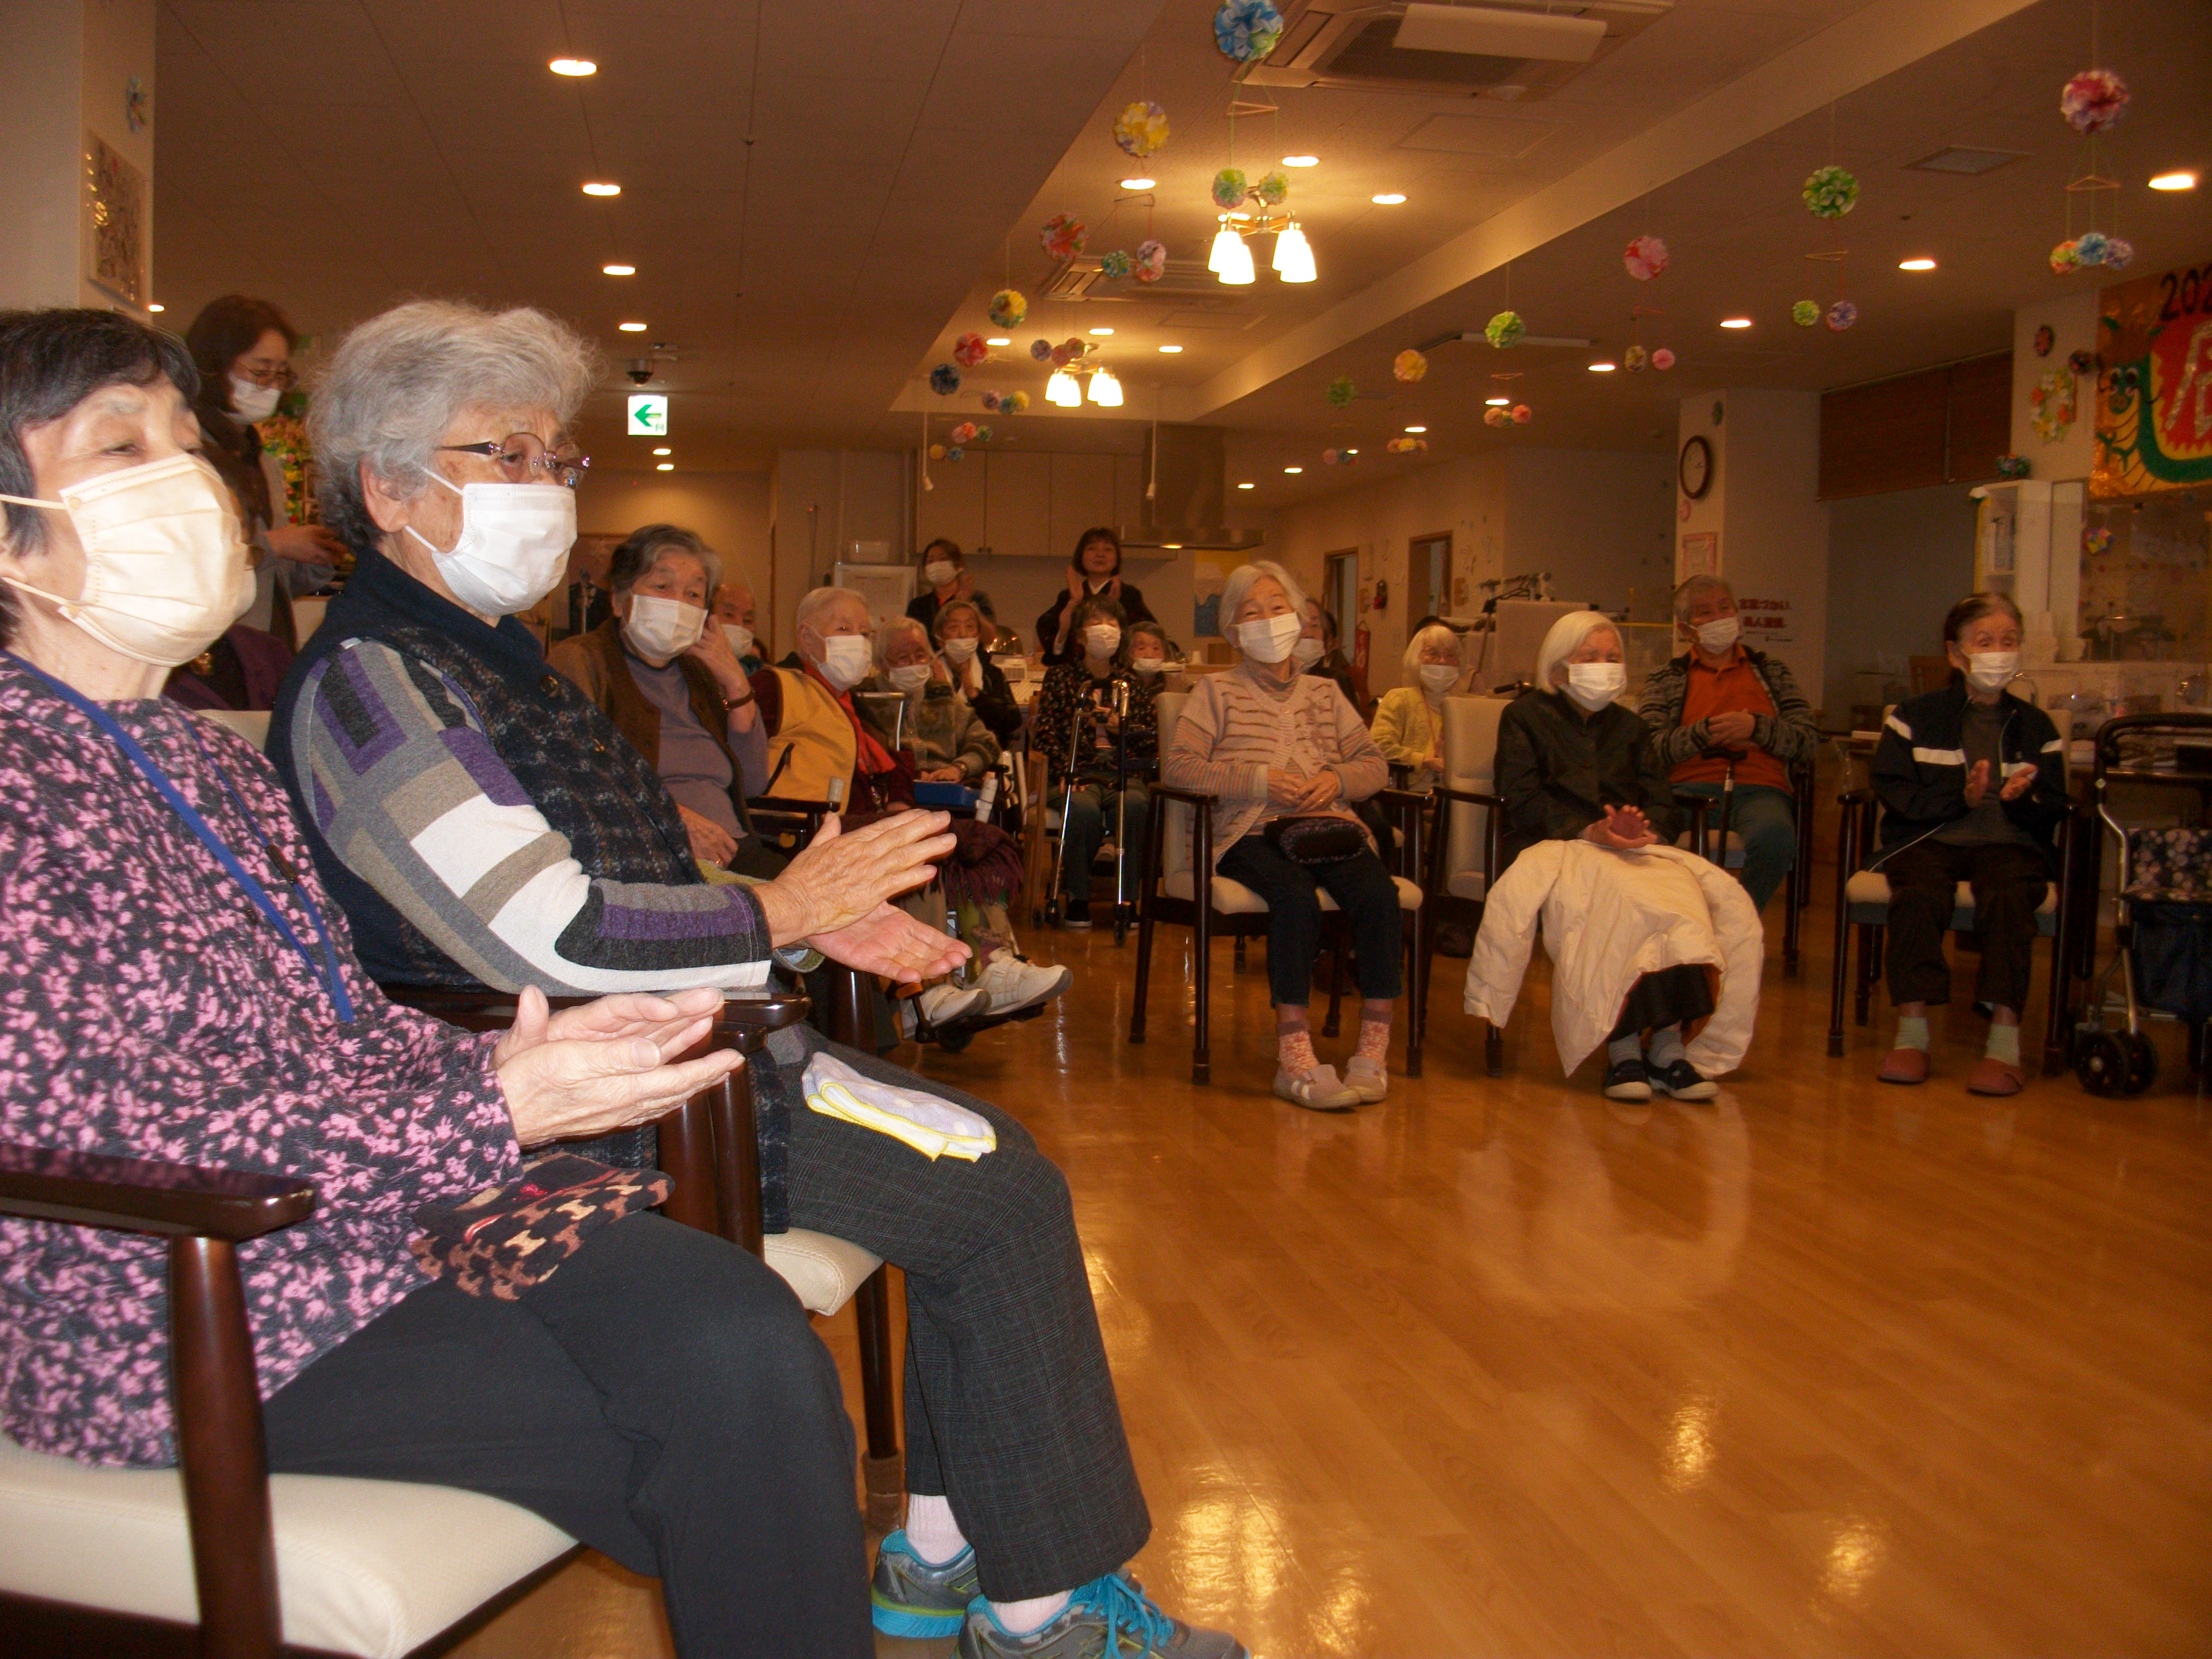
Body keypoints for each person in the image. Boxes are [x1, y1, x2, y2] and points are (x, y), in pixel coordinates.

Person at [263, 300, 1241, 1659]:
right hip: (591, 1098)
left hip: (679, 1046)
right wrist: (779, 909)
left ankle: (941, 1560)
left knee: (997, 1168)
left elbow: (631, 875)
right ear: (386, 485)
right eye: (508, 455)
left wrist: (796, 932)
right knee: (1002, 1197)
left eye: (556, 459)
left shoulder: (498, 665)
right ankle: (1038, 1613)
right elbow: (546, 932)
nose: (546, 489)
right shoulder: (373, 685)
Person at [0, 303, 917, 1658]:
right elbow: (105, 1126)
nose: (187, 478)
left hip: (362, 1225)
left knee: (734, 1317)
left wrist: (501, 1065)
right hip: (174, 1295)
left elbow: (338, 1021)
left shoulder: (196, 758)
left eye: (188, 443)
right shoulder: (18, 778)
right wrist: (485, 1109)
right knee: (723, 1391)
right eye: (120, 444)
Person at [1161, 560, 1402, 1109]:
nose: (1268, 621)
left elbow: (1374, 765)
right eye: (1252, 613)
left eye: (1277, 608)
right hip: (1247, 833)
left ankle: (1372, 1050)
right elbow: (1180, 767)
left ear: (1297, 617)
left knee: (1378, 895)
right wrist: (1259, 780)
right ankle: (1294, 1055)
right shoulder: (1215, 692)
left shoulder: (1327, 693)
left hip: (1327, 827)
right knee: (1294, 898)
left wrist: (1335, 779)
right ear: (1232, 630)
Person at [1489, 609, 1743, 1104]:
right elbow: (1520, 798)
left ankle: (1668, 1045)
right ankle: (1625, 1047)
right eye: (1591, 657)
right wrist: (1590, 830)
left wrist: (1644, 828)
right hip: (1558, 845)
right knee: (1622, 903)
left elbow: (1662, 800)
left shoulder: (1631, 727)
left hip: (1631, 849)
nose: (1604, 666)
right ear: (1559, 666)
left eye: (1612, 657)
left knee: (1680, 898)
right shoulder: (1524, 717)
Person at [1866, 593, 2067, 1097]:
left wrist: (2024, 800)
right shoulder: (1913, 716)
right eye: (1985, 641)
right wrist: (1962, 798)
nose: (1999, 652)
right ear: (1956, 654)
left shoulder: (2037, 726)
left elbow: (2056, 804)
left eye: (2008, 641)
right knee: (1918, 893)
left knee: (2009, 895)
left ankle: (2003, 1044)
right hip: (1931, 839)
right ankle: (1912, 1036)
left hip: (2009, 843)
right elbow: (1894, 789)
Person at [547, 523, 780, 878]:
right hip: (650, 855)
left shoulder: (698, 673)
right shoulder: (581, 660)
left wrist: (736, 684)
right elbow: (575, 770)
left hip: (733, 851)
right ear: (619, 600)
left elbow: (752, 783)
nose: (678, 604)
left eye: (693, 594)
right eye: (662, 587)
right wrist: (674, 819)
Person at [1637, 575, 1818, 915]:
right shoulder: (1665, 678)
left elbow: (1808, 741)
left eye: (1725, 608)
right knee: (1640, 841)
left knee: (1776, 839)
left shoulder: (1773, 672)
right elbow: (1650, 749)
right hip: (1684, 794)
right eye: (1706, 612)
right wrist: (1704, 733)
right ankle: (1676, 922)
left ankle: (1736, 920)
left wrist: (1757, 728)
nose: (1719, 617)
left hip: (1759, 790)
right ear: (1686, 629)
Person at [182, 295, 345, 642]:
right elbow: (184, 562)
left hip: (267, 642)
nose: (271, 386)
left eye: (280, 374)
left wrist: (318, 554)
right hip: (214, 646)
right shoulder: (185, 452)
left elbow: (275, 582)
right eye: (260, 371)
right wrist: (275, 544)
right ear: (214, 366)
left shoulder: (262, 460)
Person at [1031, 594, 1152, 930]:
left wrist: (1120, 730)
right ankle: (1078, 897)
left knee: (1136, 804)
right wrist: (1065, 771)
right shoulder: (1060, 678)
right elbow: (1046, 734)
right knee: (1082, 808)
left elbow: (1148, 739)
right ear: (1081, 636)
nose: (1105, 629)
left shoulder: (1131, 683)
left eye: (1112, 623)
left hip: (1119, 770)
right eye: (1096, 623)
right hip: (1075, 768)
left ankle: (1127, 899)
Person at [864, 614, 999, 786]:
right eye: (903, 658)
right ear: (881, 663)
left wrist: (959, 769)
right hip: (889, 787)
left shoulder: (941, 695)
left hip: (942, 788)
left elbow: (987, 743)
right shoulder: (867, 699)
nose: (914, 663)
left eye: (921, 655)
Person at [1037, 526, 1154, 666]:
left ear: (1117, 558)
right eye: (1092, 549)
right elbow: (1051, 637)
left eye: (1108, 549)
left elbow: (1147, 635)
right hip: (1075, 671)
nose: (1100, 555)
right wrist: (1073, 604)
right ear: (1081, 557)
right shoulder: (1068, 596)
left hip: (1117, 670)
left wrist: (1114, 608)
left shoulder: (1129, 595)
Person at [1370, 622, 1463, 791]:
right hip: (1411, 792)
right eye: (1433, 653)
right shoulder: (1400, 699)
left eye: (1450, 655)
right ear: (1416, 659)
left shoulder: (1467, 706)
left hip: (1460, 791)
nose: (1443, 661)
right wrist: (1424, 760)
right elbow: (1379, 745)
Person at [933, 595, 1023, 746]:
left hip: (986, 752)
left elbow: (1012, 722)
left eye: (970, 627)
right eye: (953, 628)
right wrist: (941, 692)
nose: (963, 634)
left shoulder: (991, 674)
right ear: (939, 638)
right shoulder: (929, 674)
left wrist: (974, 694)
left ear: (978, 635)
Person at [906, 536, 976, 637]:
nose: (936, 565)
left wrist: (968, 605)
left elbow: (990, 637)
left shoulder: (977, 599)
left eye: (943, 559)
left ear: (958, 565)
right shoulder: (918, 606)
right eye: (930, 561)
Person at [1298, 599, 1360, 710]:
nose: (1308, 633)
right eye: (1300, 625)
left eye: (1315, 625)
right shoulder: (1271, 683)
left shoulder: (1337, 681)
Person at [711, 577, 763, 674]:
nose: (739, 625)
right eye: (729, 615)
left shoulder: (758, 674)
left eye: (747, 620)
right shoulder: (689, 669)